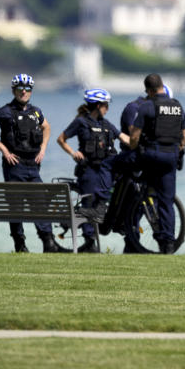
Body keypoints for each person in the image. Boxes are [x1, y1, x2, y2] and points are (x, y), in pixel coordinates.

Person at [0, 73, 67, 253]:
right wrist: (4, 150)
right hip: (15, 166)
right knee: (16, 206)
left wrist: (43, 149)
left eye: (28, 89)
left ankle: (48, 243)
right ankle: (20, 244)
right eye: (20, 88)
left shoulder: (36, 111)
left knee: (40, 204)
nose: (24, 92)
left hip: (33, 166)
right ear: (14, 90)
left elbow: (47, 127)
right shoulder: (4, 111)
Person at [56, 88, 128, 253]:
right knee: (89, 202)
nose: (107, 108)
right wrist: (73, 153)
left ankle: (109, 224)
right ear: (97, 105)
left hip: (104, 169)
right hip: (88, 169)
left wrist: (138, 141)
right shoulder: (81, 122)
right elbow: (61, 139)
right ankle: (89, 243)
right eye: (105, 105)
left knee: (103, 200)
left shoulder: (106, 124)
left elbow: (124, 138)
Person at [128, 74, 185, 254]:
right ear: (162, 86)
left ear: (150, 90)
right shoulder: (178, 107)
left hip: (151, 157)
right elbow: (184, 139)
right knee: (167, 201)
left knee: (139, 190)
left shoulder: (147, 106)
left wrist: (133, 148)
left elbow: (135, 137)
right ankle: (168, 242)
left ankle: (129, 223)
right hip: (171, 157)